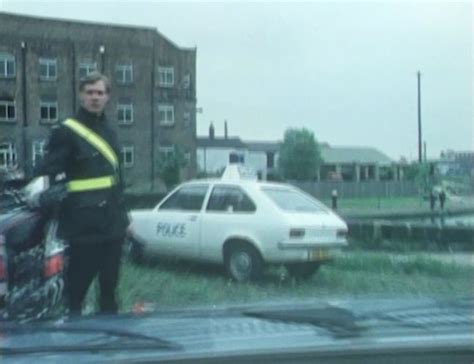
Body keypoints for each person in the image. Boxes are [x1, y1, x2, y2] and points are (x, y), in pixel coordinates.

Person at [35, 72, 129, 316]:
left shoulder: (111, 131)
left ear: (108, 97)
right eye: (90, 92)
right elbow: (48, 172)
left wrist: (126, 219)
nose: (95, 98)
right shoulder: (66, 131)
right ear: (81, 95)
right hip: (83, 228)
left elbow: (117, 180)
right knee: (76, 292)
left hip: (113, 226)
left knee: (109, 291)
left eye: (100, 93)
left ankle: (109, 347)